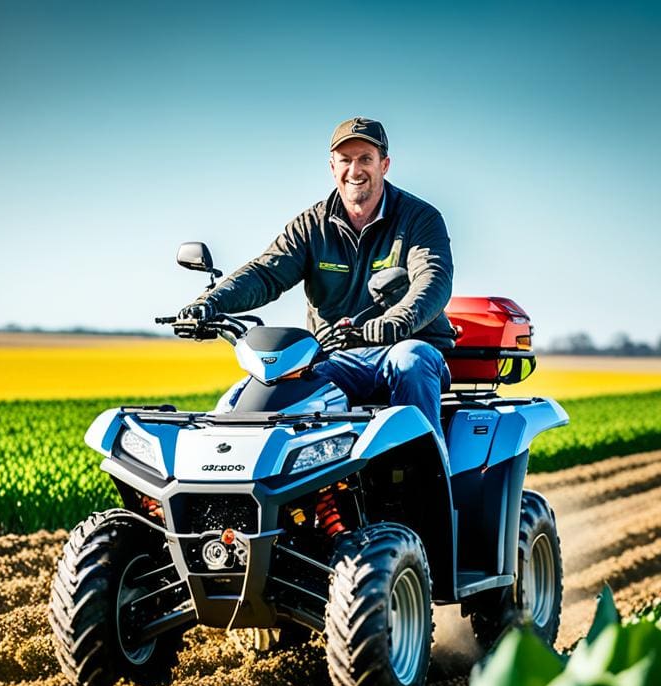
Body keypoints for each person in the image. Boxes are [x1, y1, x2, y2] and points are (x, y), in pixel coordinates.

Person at [178, 116, 454, 444]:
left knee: (410, 360)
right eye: (345, 160)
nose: (355, 170)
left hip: (399, 348)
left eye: (366, 158)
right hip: (333, 356)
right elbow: (266, 272)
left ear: (385, 164)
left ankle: (428, 484)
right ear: (332, 166)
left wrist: (397, 320)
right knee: (243, 401)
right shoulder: (312, 225)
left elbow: (432, 277)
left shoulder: (419, 219)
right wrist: (209, 304)